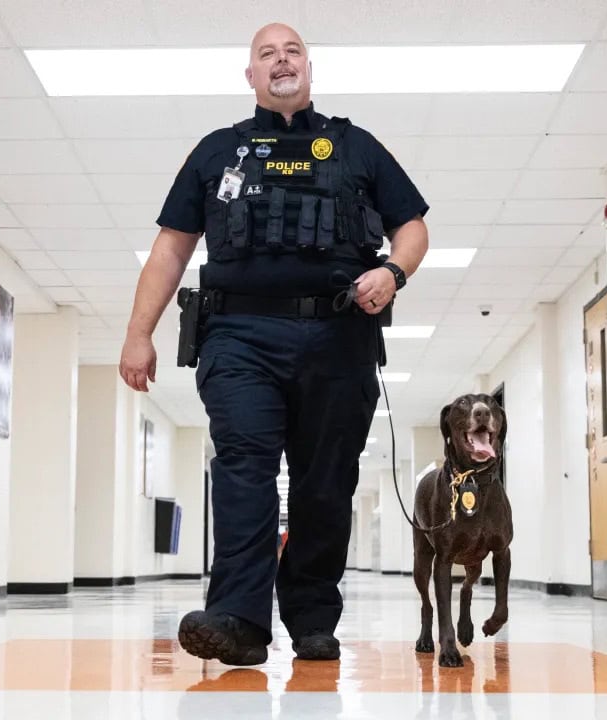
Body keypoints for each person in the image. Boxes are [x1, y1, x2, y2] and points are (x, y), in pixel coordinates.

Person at [119, 22, 429, 666]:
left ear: (309, 70)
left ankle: (314, 617)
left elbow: (413, 226)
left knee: (325, 483)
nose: (281, 61)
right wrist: (137, 333)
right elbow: (171, 250)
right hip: (239, 337)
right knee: (243, 470)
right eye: (268, 54)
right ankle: (237, 618)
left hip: (340, 333)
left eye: (293, 52)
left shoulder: (357, 147)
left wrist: (394, 271)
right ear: (251, 76)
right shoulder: (216, 152)